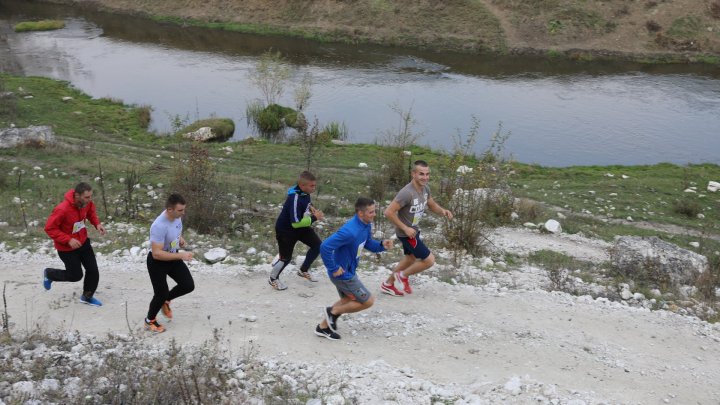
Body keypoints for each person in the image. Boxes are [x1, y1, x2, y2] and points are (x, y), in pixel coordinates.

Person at [315, 197, 393, 340]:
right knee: (368, 301)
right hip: (343, 275)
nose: (374, 214)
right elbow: (325, 246)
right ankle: (332, 311)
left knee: (347, 300)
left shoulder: (365, 225)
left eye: (374, 211)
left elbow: (368, 243)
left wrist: (381, 245)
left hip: (349, 271)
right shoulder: (349, 231)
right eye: (371, 212)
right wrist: (333, 268)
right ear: (360, 213)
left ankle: (323, 328)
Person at [381, 160, 453, 296]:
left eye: (427, 174)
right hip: (407, 234)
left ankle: (388, 284)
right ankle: (402, 276)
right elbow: (388, 212)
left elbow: (431, 205)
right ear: (413, 174)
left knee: (410, 259)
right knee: (429, 260)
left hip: (414, 231)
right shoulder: (407, 193)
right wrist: (405, 228)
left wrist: (443, 211)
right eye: (421, 174)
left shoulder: (425, 189)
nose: (425, 177)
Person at [43, 182, 107, 306]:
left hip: (83, 242)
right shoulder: (62, 209)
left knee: (93, 270)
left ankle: (87, 297)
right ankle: (49, 274)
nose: (90, 200)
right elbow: (50, 228)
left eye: (90, 196)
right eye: (87, 197)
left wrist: (97, 224)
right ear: (77, 195)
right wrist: (68, 240)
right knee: (75, 276)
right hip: (67, 248)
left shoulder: (86, 204)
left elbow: (91, 213)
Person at [143, 193, 195, 333]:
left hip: (172, 256)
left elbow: (175, 231)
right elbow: (157, 253)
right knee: (160, 293)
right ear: (170, 209)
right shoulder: (159, 225)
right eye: (180, 210)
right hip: (157, 262)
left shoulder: (176, 217)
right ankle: (149, 321)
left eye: (184, 209)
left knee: (188, 285)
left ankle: (166, 301)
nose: (183, 213)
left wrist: (180, 239)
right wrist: (182, 255)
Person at [269, 171, 325, 290]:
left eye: (314, 185)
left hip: (301, 228)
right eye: (312, 186)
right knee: (286, 258)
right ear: (302, 185)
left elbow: (306, 202)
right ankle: (273, 279)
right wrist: (315, 217)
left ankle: (303, 270)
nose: (314, 188)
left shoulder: (304, 192)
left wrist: (311, 208)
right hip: (286, 231)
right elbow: (295, 223)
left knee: (318, 246)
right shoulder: (294, 197)